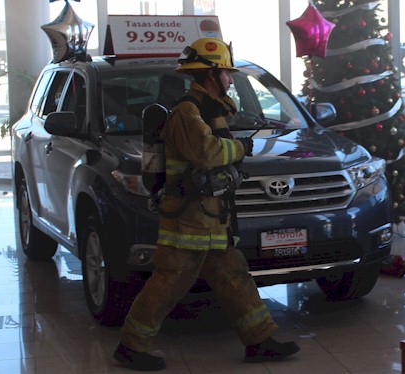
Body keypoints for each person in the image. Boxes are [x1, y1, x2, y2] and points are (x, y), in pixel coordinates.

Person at [113, 37, 300, 371]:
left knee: (233, 274)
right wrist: (242, 148)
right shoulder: (187, 112)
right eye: (226, 73)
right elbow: (208, 153)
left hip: (210, 216)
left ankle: (259, 340)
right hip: (188, 217)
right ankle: (131, 346)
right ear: (211, 74)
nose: (230, 79)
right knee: (170, 281)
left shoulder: (209, 109)